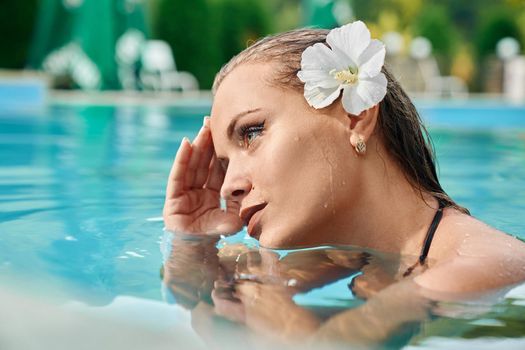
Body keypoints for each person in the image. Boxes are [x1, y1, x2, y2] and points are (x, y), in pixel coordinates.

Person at [162, 21, 525, 346]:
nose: (227, 188)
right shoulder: (348, 256)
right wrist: (193, 240)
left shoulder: (483, 266)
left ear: (356, 115)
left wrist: (277, 315)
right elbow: (205, 302)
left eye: (252, 132)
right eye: (224, 166)